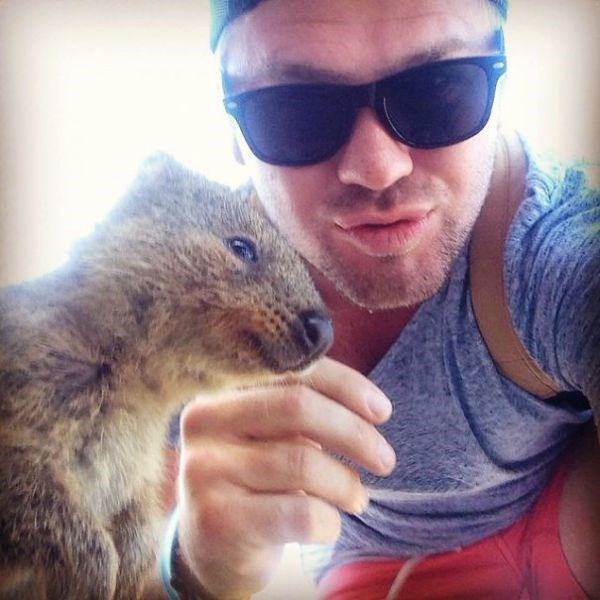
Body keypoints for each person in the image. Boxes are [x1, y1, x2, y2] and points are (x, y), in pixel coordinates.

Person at [146, 1, 600, 598]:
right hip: (371, 565)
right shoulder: (188, 307)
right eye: (296, 110)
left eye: (439, 89)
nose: (377, 169)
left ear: (501, 87)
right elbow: (128, 548)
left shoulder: (558, 256)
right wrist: (199, 564)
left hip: (561, 509)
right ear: (232, 129)